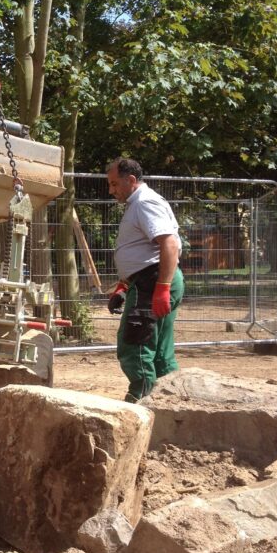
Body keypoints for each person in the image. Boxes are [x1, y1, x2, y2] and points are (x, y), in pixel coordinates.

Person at [106, 157, 184, 403]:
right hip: (149, 281)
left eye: (114, 184)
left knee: (135, 344)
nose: (112, 191)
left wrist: (161, 288)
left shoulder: (145, 202)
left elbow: (169, 243)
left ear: (130, 180)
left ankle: (140, 400)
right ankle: (169, 403)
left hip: (152, 282)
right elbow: (144, 250)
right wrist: (124, 285)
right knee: (160, 351)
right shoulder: (138, 203)